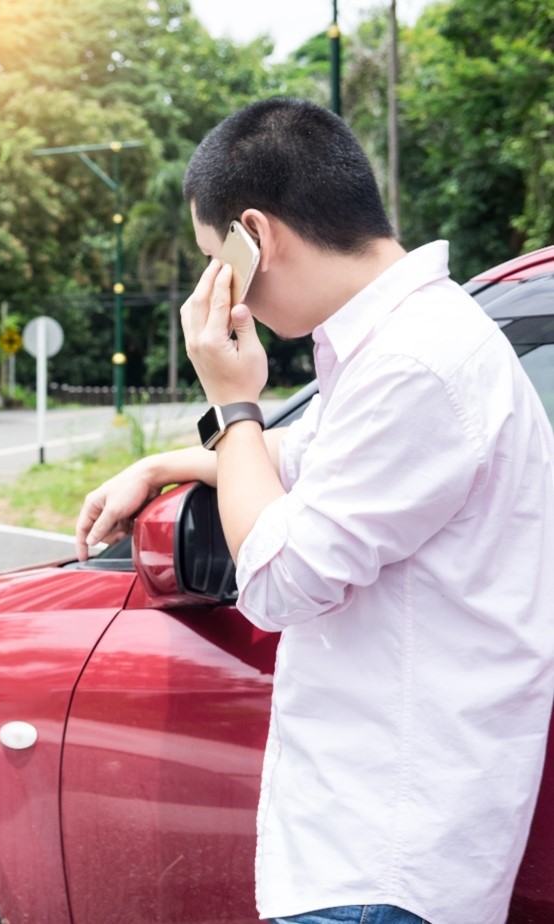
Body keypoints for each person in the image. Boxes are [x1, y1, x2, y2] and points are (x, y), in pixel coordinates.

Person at [75, 98, 554, 924]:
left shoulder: (416, 364)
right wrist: (160, 461)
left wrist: (233, 399)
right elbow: (296, 462)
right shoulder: (412, 342)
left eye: (213, 256)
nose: (217, 286)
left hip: (381, 867)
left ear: (256, 236)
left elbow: (279, 578)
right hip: (379, 850)